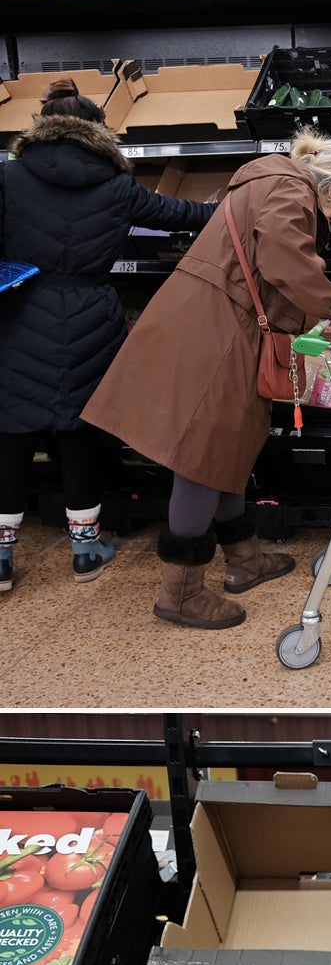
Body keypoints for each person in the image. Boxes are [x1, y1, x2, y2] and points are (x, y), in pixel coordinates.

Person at [85, 126, 331, 629]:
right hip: (216, 332)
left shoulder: (264, 180)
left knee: (228, 443)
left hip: (208, 321)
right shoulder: (294, 189)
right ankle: (180, 592)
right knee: (201, 454)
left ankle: (243, 559)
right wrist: (327, 309)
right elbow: (282, 256)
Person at [0, 77, 216, 595]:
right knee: (80, 432)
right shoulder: (117, 187)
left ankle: (2, 558)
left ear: (41, 127)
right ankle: (86, 549)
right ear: (99, 131)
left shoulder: (8, 178)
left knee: (10, 433)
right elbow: (182, 216)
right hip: (91, 318)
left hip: (19, 311)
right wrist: (235, 206)